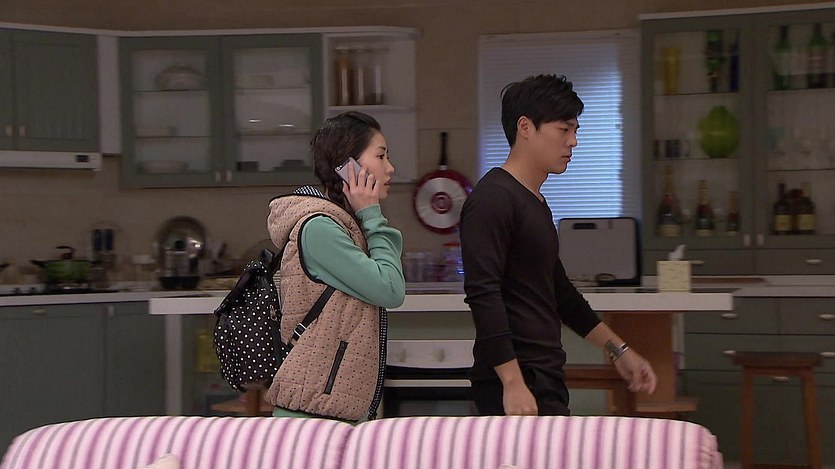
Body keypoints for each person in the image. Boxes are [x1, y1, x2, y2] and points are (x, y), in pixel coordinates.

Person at [459, 74, 657, 416]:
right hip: (514, 381)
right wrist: (512, 382)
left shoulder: (534, 201)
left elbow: (561, 294)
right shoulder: (493, 199)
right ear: (525, 127)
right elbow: (483, 294)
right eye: (564, 130)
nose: (573, 142)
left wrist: (619, 351)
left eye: (575, 130)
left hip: (544, 373)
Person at [263, 111, 405, 422]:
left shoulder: (344, 225)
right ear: (348, 166)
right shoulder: (320, 228)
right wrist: (372, 214)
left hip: (330, 412)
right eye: (381, 156)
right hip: (311, 417)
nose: (390, 168)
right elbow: (390, 288)